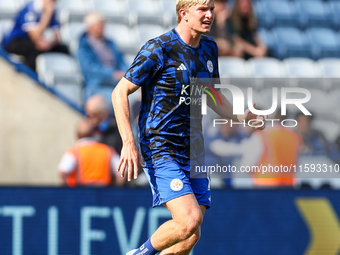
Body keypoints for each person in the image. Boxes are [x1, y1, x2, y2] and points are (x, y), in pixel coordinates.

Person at [111, 1, 265, 254]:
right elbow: (120, 92)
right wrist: (128, 142)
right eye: (202, 9)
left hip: (193, 150)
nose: (209, 15)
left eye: (212, 9)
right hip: (161, 147)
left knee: (190, 236)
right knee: (189, 220)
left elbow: (212, 95)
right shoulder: (159, 48)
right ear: (184, 14)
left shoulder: (209, 49)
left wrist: (243, 116)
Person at [1, 0, 69, 71]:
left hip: (38, 41)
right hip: (16, 40)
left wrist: (49, 44)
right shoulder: (30, 9)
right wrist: (47, 14)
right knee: (35, 49)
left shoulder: (52, 11)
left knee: (62, 49)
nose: (53, 2)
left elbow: (57, 34)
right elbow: (35, 35)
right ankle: (29, 76)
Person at [77, 12, 128, 101]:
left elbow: (121, 61)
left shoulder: (110, 43)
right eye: (99, 25)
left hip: (116, 84)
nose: (102, 28)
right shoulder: (84, 47)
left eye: (102, 25)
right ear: (90, 27)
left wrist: (127, 73)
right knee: (118, 101)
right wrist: (112, 73)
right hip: (97, 86)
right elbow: (89, 68)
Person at [241, 110, 300, 187]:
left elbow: (247, 165)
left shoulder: (262, 134)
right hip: (288, 186)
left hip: (265, 186)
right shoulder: (293, 136)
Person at [58, 119, 124, 187]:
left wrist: (66, 193)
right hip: (103, 193)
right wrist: (115, 192)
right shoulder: (107, 151)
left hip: (80, 193)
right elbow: (122, 171)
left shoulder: (73, 152)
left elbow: (63, 172)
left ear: (77, 135)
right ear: (94, 134)